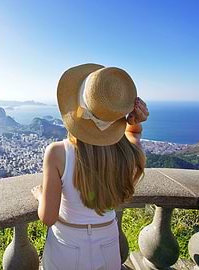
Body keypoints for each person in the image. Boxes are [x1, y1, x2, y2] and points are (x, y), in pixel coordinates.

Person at [31, 63, 148, 270]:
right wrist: (135, 122)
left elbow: (48, 217)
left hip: (66, 246)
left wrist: (41, 196)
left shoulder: (58, 153)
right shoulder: (128, 155)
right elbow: (133, 136)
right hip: (109, 243)